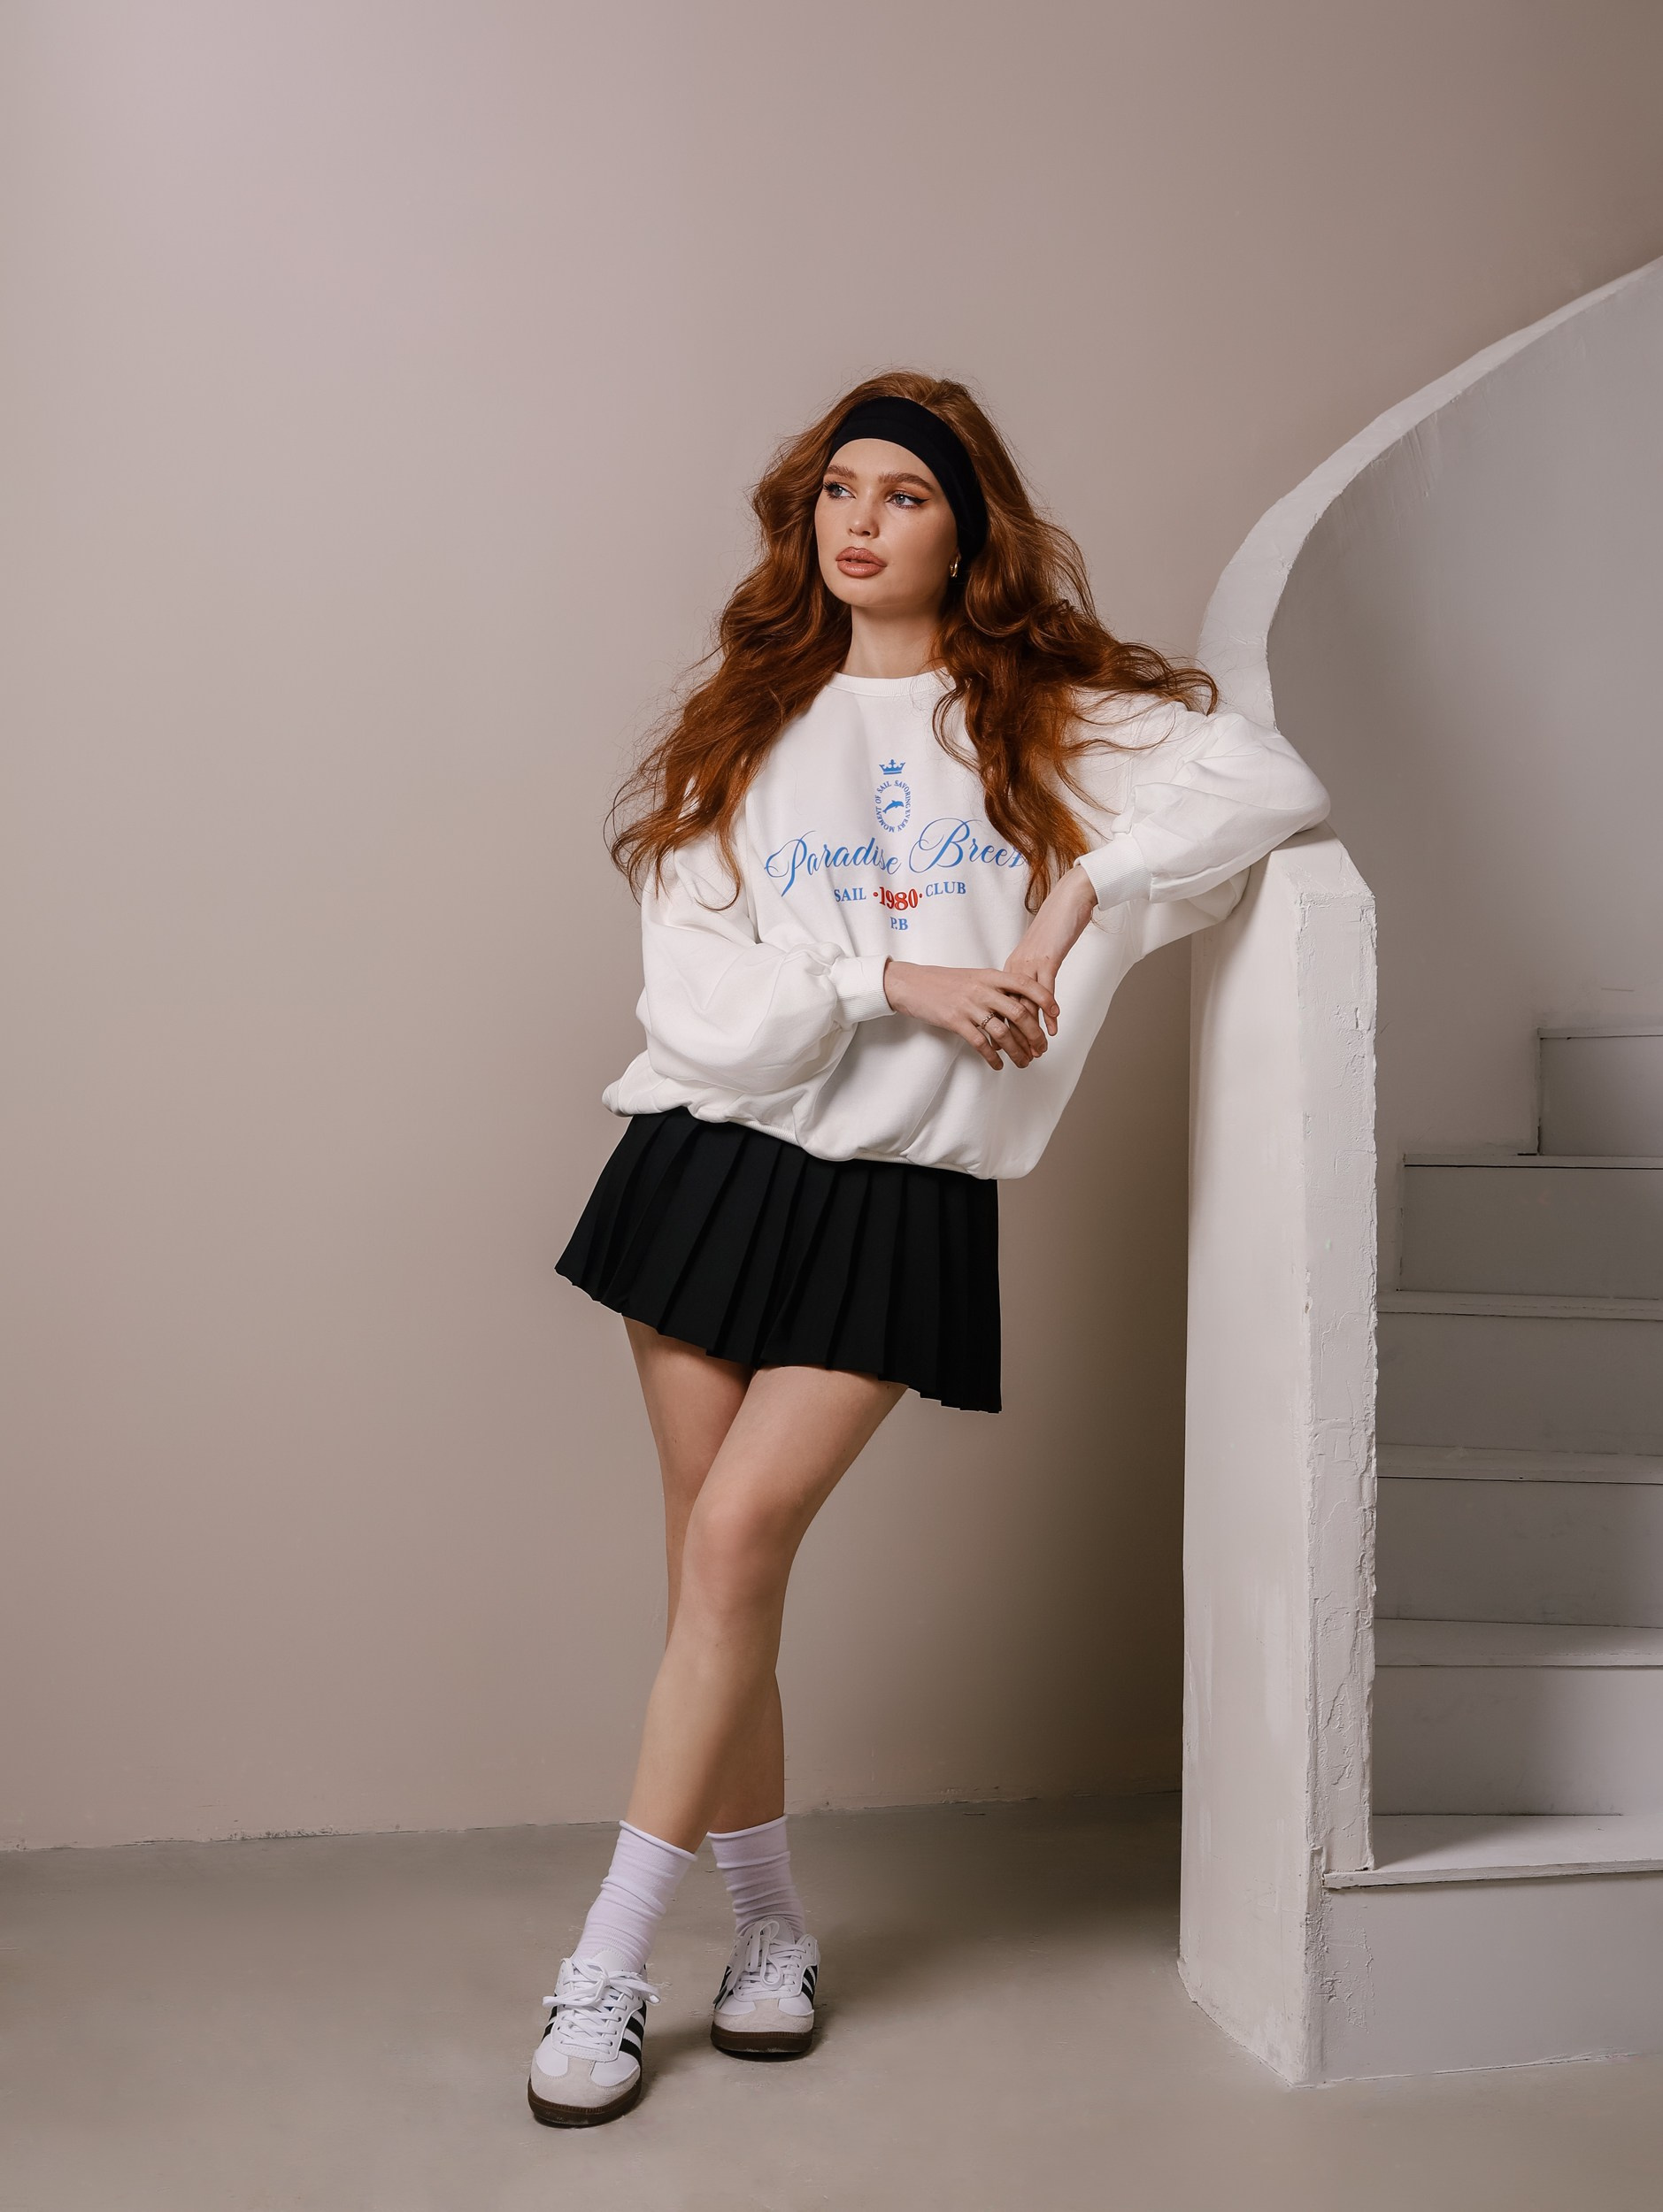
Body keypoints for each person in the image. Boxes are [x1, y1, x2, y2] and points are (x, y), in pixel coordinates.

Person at [527, 373, 1329, 2126]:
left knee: (733, 1546)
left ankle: (605, 1962)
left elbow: (1267, 780)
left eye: (902, 493)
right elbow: (695, 991)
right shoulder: (750, 716)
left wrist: (1079, 893)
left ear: (966, 530)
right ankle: (767, 1932)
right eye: (839, 489)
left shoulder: (1044, 715)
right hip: (706, 1160)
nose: (861, 520)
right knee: (714, 1577)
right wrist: (895, 978)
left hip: (899, 1185)